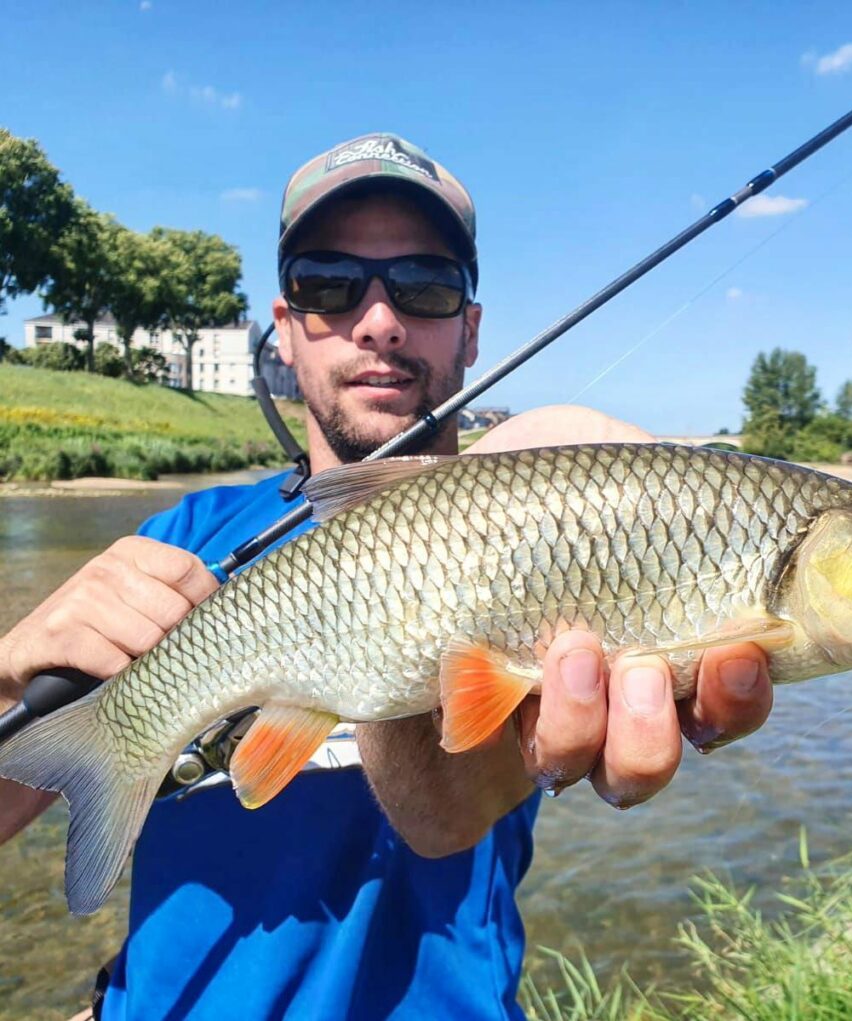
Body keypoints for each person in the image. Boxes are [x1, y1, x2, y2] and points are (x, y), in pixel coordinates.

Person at [0, 133, 774, 1020]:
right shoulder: (178, 545)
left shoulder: (542, 516)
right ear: (284, 330)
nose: (378, 319)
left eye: (424, 285)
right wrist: (11, 664)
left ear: (471, 330)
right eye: (329, 284)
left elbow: (441, 815)